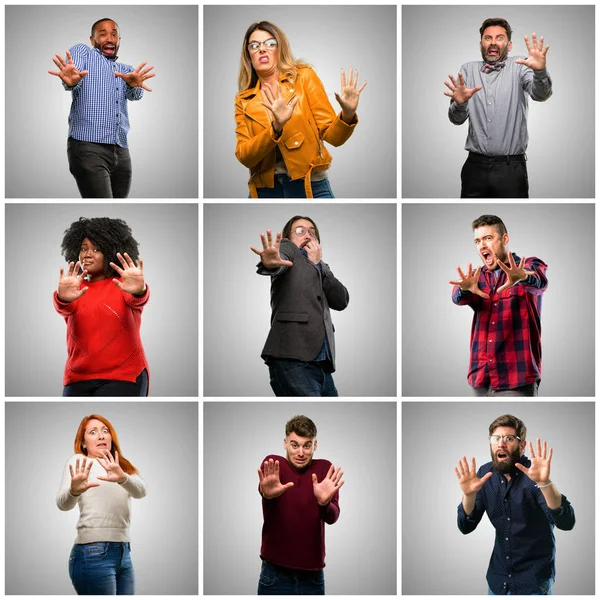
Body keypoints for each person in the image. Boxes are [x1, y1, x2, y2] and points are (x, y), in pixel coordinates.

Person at [235, 21, 366, 198]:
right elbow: (245, 156)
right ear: (248, 54)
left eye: (270, 43)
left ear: (280, 48)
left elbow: (334, 138)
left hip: (310, 184)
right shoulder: (244, 100)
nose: (262, 49)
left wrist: (348, 115)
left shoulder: (304, 77)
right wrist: (276, 128)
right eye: (254, 45)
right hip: (264, 190)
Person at [454, 414, 575, 595]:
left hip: (533, 583)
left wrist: (545, 484)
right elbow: (466, 526)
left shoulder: (533, 474)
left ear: (522, 445)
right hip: (498, 581)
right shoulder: (484, 473)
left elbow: (566, 522)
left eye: (509, 438)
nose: (501, 444)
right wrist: (468, 495)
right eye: (496, 438)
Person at [444, 18, 552, 198]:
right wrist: (460, 103)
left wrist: (540, 71)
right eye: (488, 38)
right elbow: (456, 119)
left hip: (511, 169)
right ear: (481, 44)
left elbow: (541, 95)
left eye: (499, 38)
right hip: (474, 167)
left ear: (509, 45)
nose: (493, 42)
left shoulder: (520, 66)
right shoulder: (468, 70)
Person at [48, 18, 155, 198]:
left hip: (121, 151)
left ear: (119, 40)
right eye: (103, 34)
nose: (110, 39)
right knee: (101, 204)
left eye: (114, 35)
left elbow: (135, 96)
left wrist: (134, 85)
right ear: (93, 39)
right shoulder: (85, 53)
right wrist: (72, 80)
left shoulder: (125, 70)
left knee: (117, 208)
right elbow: (74, 73)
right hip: (88, 147)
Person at [449, 214, 547, 396]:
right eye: (477, 241)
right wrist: (464, 289)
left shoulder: (528, 264)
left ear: (504, 239)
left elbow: (540, 282)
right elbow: (457, 298)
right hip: (480, 377)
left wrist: (523, 276)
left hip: (516, 378)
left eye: (488, 238)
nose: (482, 245)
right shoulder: (478, 276)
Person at [250, 216, 349, 396]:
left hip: (323, 366)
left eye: (312, 232)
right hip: (292, 359)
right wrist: (271, 262)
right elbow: (279, 259)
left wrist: (319, 264)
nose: (308, 235)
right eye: (300, 231)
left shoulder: (321, 267)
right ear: (289, 236)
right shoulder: (290, 249)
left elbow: (341, 300)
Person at [54, 217, 150, 396]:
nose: (87, 254)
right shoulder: (75, 287)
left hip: (124, 376)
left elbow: (139, 299)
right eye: (83, 249)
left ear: (111, 252)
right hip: (77, 378)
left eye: (96, 249)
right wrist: (62, 298)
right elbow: (63, 308)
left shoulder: (123, 284)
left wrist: (140, 290)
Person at [56, 414, 147, 595]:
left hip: (123, 553)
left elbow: (141, 491)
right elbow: (63, 504)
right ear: (83, 443)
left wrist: (123, 478)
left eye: (105, 431)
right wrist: (74, 490)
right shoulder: (78, 462)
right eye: (93, 432)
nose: (101, 435)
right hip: (92, 553)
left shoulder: (120, 465)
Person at [257, 415, 344, 595]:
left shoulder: (324, 469)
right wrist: (266, 493)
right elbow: (265, 487)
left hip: (312, 577)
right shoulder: (275, 464)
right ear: (285, 443)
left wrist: (324, 503)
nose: (301, 452)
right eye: (295, 445)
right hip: (274, 573)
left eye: (307, 445)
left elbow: (333, 516)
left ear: (315, 445)